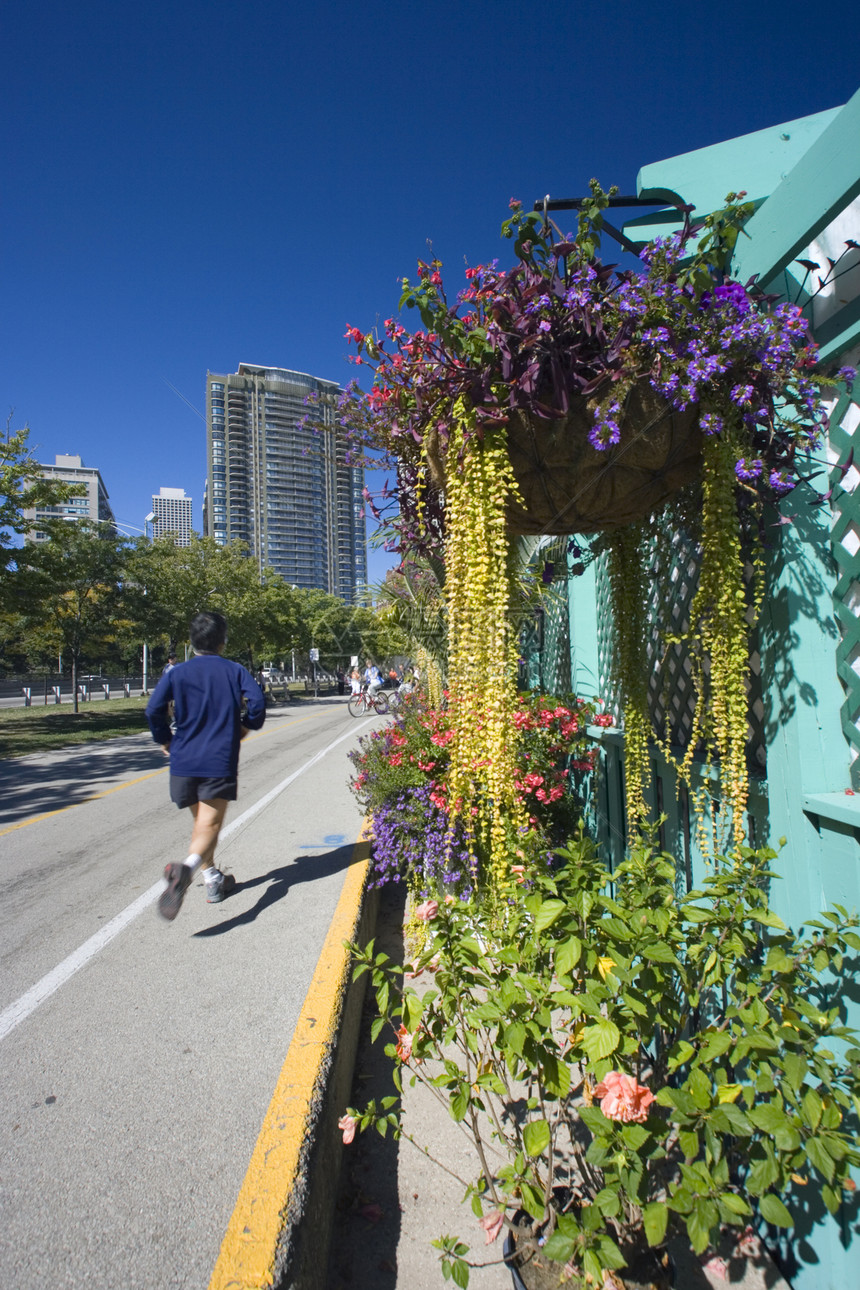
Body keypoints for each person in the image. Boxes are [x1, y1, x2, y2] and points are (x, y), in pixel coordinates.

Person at [146, 610, 265, 920]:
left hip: (183, 760)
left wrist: (165, 739)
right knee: (210, 826)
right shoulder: (235, 670)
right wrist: (245, 726)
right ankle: (186, 870)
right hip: (217, 759)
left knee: (202, 825)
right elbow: (258, 704)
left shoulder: (175, 673)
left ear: (191, 641)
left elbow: (153, 709)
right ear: (223, 642)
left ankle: (213, 880)